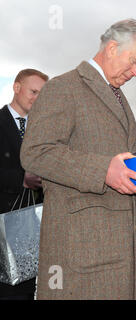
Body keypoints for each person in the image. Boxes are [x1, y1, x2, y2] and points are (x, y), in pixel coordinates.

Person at [20, 19, 136, 300]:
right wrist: (104, 170)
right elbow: (35, 152)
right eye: (134, 61)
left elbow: (116, 159)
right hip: (80, 263)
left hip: (117, 256)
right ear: (112, 48)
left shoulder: (118, 96)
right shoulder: (63, 87)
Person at [0, 69, 48, 300]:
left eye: (42, 94)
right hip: (2, 222)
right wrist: (21, 179)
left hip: (31, 228)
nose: (37, 99)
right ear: (16, 88)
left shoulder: (44, 133)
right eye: (33, 91)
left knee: (24, 290)